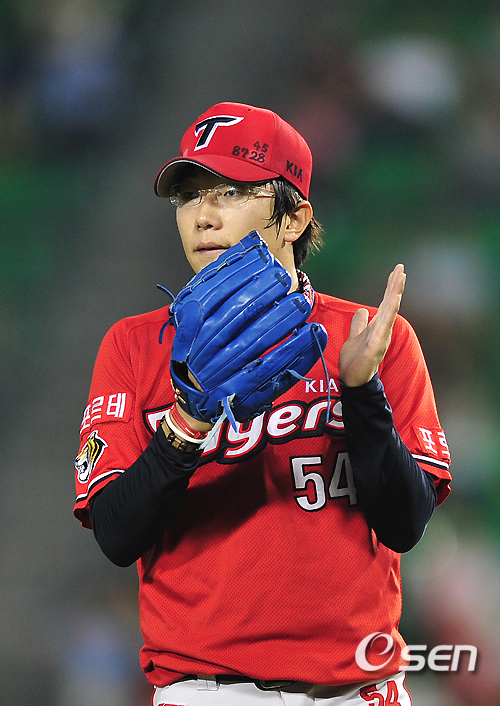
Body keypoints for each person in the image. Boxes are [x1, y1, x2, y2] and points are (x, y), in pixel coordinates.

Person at [74, 102, 452, 705]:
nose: (203, 216)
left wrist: (362, 393)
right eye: (188, 197)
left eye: (229, 192)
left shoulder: (370, 337)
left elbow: (404, 526)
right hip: (207, 691)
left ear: (294, 217)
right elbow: (117, 535)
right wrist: (188, 422)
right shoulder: (136, 346)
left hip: (356, 690)